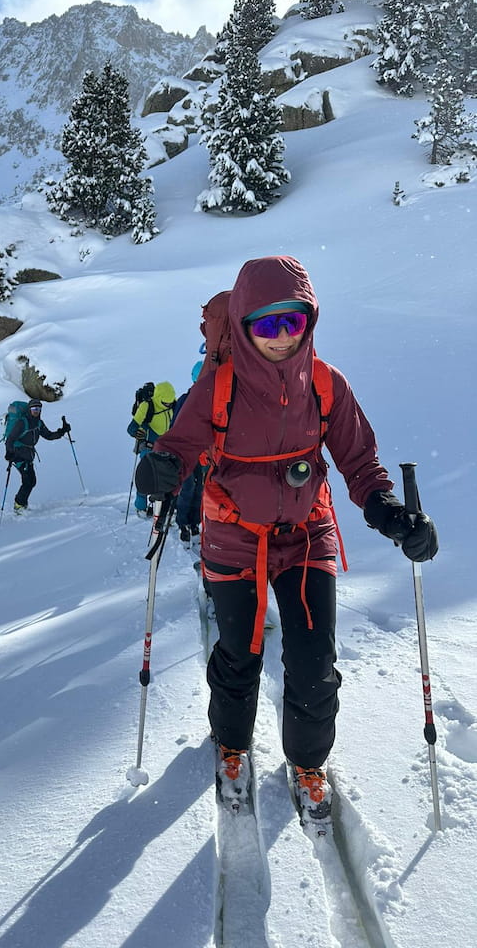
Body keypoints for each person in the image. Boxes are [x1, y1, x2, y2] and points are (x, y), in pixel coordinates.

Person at [134, 255, 438, 821]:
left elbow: (359, 462)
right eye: (266, 325)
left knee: (314, 657)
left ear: (310, 321)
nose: (281, 337)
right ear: (245, 326)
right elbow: (178, 447)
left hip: (305, 532)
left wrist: (392, 514)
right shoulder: (217, 387)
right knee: (239, 649)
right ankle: (232, 744)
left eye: (292, 322)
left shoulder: (326, 385)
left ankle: (307, 761)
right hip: (232, 533)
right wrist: (160, 470)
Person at [5, 399, 70, 512]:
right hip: (18, 454)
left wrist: (62, 431)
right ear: (29, 410)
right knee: (28, 481)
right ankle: (19, 505)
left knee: (32, 481)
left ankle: (21, 504)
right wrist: (10, 453)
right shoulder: (22, 422)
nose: (36, 411)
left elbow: (48, 435)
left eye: (38, 409)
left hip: (29, 456)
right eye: (34, 409)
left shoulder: (39, 423)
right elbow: (10, 439)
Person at [126, 380, 176, 518]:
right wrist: (138, 433)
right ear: (159, 398)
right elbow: (131, 428)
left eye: (170, 402)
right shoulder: (147, 406)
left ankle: (161, 507)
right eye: (166, 403)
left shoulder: (172, 403)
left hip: (166, 446)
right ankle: (141, 506)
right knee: (146, 477)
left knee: (165, 478)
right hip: (149, 446)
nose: (169, 405)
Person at [174, 362, 205, 544]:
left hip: (201, 452)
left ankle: (194, 522)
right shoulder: (186, 400)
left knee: (198, 488)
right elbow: (175, 427)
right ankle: (183, 523)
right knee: (188, 488)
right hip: (186, 452)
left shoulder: (208, 398)